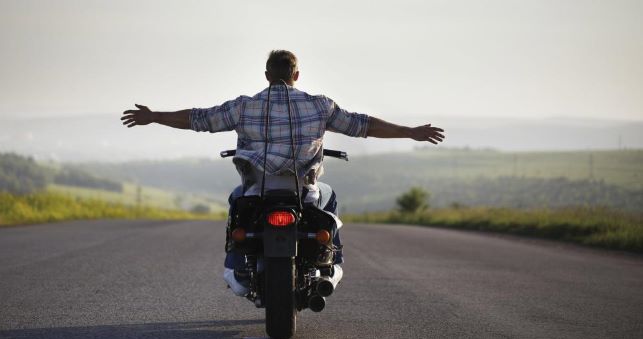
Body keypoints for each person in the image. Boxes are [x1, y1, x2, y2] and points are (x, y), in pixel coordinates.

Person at [121, 50, 445, 296]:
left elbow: (198, 119)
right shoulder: (320, 105)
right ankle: (332, 264)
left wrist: (154, 116)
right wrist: (410, 132)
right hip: (304, 189)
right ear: (297, 75)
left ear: (266, 75)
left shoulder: (243, 106)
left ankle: (235, 266)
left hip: (256, 189)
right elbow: (364, 125)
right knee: (330, 199)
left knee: (236, 203)